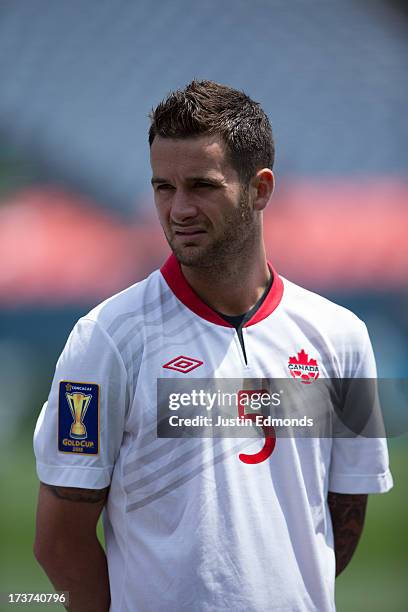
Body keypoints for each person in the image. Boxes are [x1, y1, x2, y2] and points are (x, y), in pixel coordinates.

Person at [33, 80, 393, 612]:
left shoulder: (344, 337)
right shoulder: (104, 338)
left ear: (261, 189)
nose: (178, 209)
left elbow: (342, 518)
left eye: (201, 185)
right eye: (162, 187)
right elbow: (59, 544)